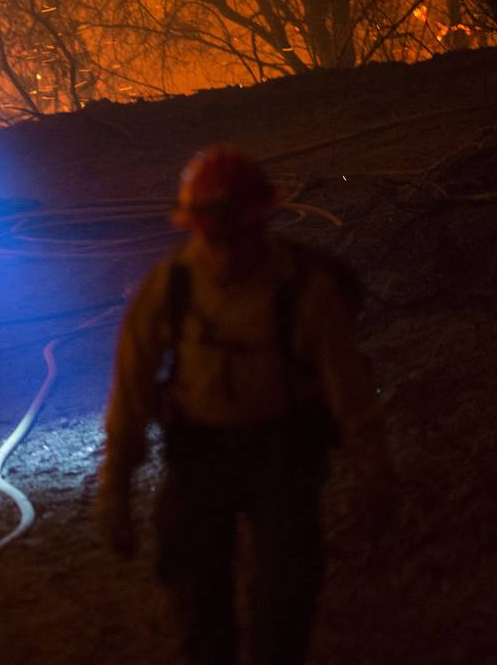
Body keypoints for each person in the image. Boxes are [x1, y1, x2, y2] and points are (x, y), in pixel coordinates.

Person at [94, 146, 396, 665]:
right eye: (217, 238)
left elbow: (348, 392)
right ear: (195, 228)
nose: (228, 254)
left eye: (240, 236)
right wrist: (115, 491)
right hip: (200, 452)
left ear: (261, 222)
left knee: (286, 595)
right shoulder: (171, 289)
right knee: (196, 590)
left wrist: (375, 476)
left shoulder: (305, 290)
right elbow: (132, 393)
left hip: (283, 451)